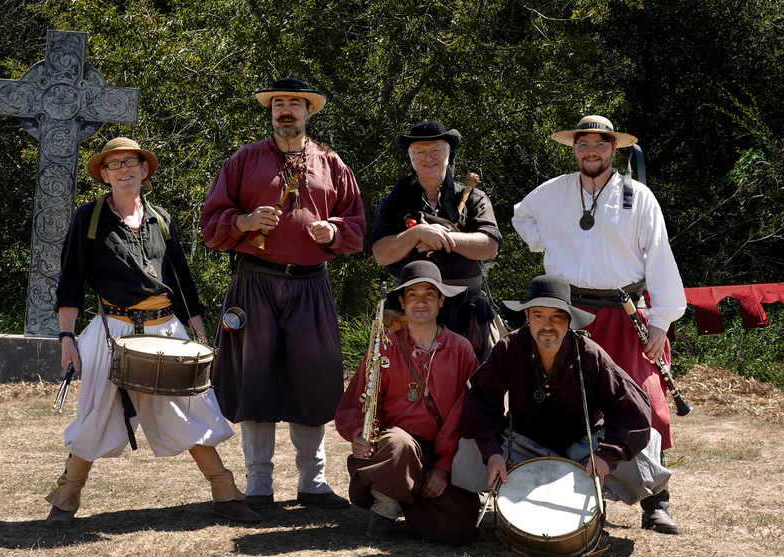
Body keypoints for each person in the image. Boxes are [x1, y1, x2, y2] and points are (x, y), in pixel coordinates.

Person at [46, 137, 259, 527]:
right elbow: (70, 284)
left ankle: (226, 495)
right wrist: (66, 339)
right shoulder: (88, 219)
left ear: (144, 170)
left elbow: (181, 281)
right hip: (112, 331)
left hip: (166, 330)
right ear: (104, 175)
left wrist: (197, 330)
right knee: (96, 415)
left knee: (191, 410)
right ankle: (65, 500)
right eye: (115, 165)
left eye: (132, 163)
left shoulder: (160, 218)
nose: (124, 170)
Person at [511, 115, 685, 534]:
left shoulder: (638, 197)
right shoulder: (551, 192)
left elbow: (659, 256)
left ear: (614, 149)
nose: (591, 151)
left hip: (624, 313)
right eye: (583, 143)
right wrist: (543, 241)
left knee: (648, 403)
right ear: (574, 148)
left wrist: (660, 320)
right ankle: (573, 492)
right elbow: (520, 216)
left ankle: (655, 501)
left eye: (600, 144)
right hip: (566, 315)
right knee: (571, 404)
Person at [200, 77, 365, 510]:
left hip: (310, 284)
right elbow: (211, 223)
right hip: (255, 282)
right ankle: (259, 484)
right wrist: (243, 222)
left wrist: (335, 232)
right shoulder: (243, 160)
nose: (286, 110)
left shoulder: (332, 164)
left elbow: (357, 226)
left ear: (309, 112)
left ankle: (313, 482)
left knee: (310, 382)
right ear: (270, 112)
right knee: (257, 382)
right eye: (278, 104)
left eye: (295, 103)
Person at [460, 275, 670, 529]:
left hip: (585, 450)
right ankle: (469, 506)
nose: (547, 325)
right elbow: (481, 401)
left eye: (556, 317)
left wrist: (605, 456)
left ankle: (646, 505)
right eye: (538, 315)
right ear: (527, 317)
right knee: (470, 446)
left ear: (569, 321)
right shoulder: (509, 348)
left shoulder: (589, 353)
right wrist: (492, 453)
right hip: (525, 447)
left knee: (644, 447)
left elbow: (632, 411)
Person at [335, 261, 480, 544]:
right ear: (402, 301)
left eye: (429, 294)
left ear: (441, 300)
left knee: (458, 528)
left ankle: (412, 501)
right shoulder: (383, 346)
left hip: (439, 455)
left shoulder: (461, 349)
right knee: (398, 444)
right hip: (396, 449)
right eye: (413, 294)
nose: (421, 302)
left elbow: (467, 411)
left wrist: (445, 466)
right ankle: (385, 508)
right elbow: (355, 403)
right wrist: (358, 434)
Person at [369, 121, 503, 363]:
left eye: (435, 151)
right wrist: (416, 234)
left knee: (472, 389)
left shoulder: (474, 198)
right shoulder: (392, 202)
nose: (428, 158)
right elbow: (381, 254)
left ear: (448, 154)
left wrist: (443, 237)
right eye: (420, 152)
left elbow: (490, 245)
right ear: (410, 157)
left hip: (466, 309)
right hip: (409, 309)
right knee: (407, 391)